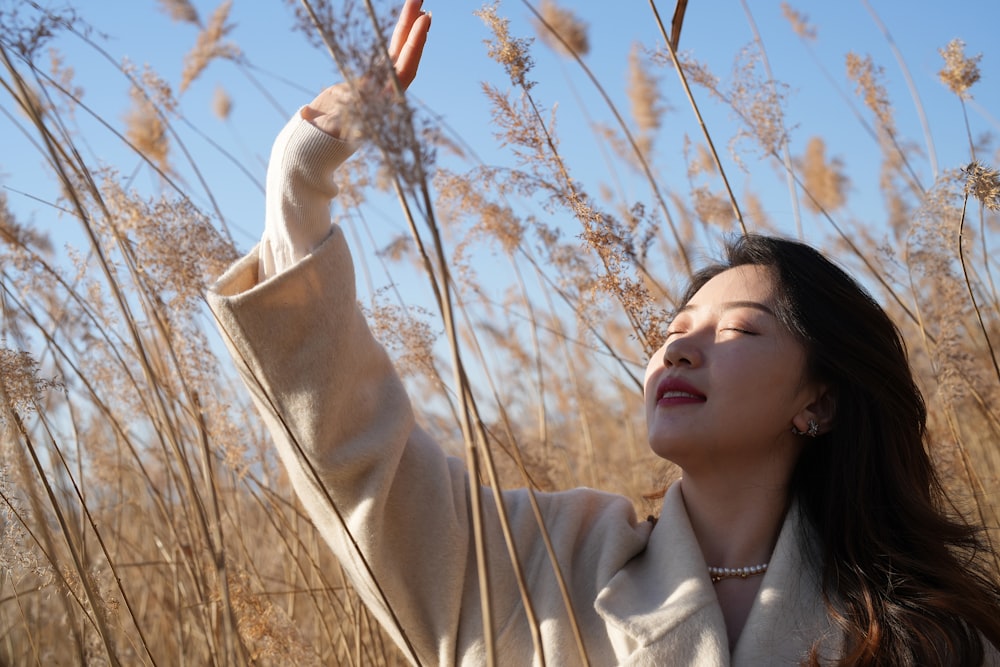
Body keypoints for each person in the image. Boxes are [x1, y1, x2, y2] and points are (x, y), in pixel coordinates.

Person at [207, 1, 1000, 663]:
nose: (681, 348)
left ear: (819, 402)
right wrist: (301, 170)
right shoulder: (542, 563)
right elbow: (355, 457)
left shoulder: (926, 636)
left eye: (744, 330)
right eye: (676, 328)